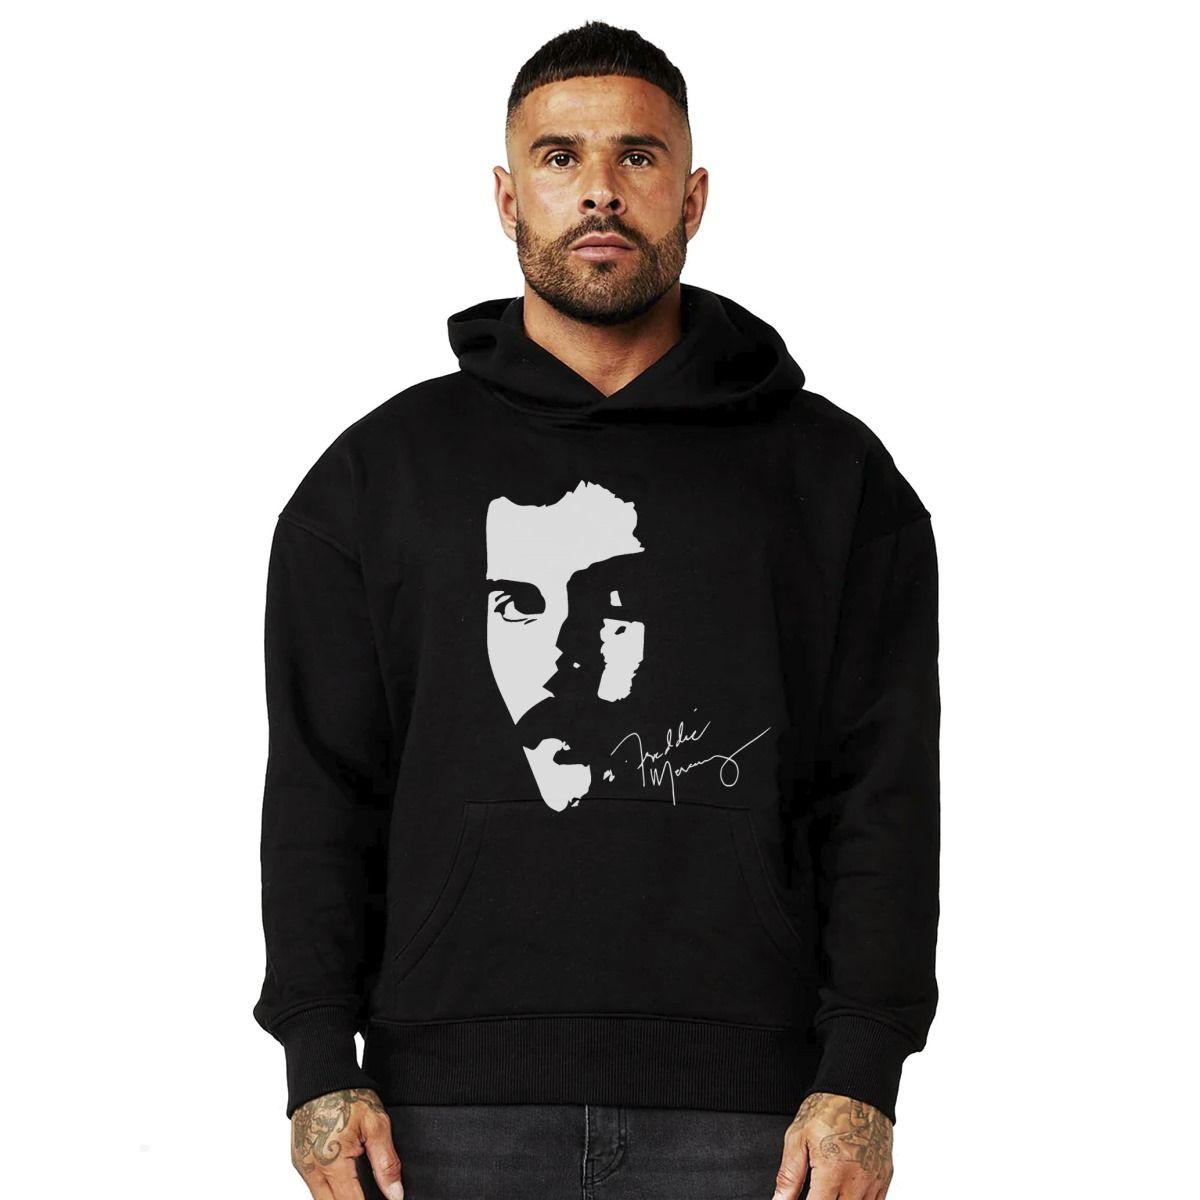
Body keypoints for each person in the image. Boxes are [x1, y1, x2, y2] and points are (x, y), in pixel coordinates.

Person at [253, 20, 940, 1200]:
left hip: (758, 1115)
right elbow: (323, 787)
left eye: (638, 155)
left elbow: (882, 790)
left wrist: (864, 1072)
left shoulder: (835, 480)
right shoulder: (379, 478)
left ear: (694, 195)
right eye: (560, 157)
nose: (601, 191)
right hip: (443, 1113)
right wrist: (319, 1062)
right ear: (506, 197)